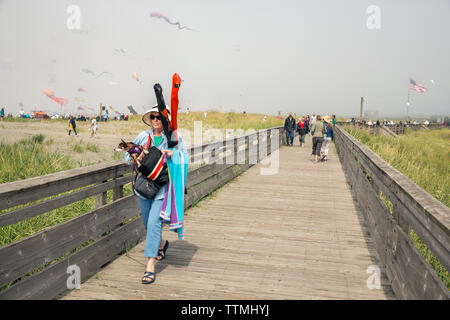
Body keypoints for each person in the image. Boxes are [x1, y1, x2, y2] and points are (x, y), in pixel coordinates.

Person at [124, 106, 187, 285]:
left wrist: (172, 153)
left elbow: (184, 156)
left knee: (153, 222)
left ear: (165, 119)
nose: (156, 120)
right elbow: (127, 158)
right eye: (153, 117)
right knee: (147, 223)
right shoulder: (144, 136)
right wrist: (136, 157)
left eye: (159, 117)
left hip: (163, 189)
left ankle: (150, 264)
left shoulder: (174, 137)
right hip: (144, 187)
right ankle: (161, 244)